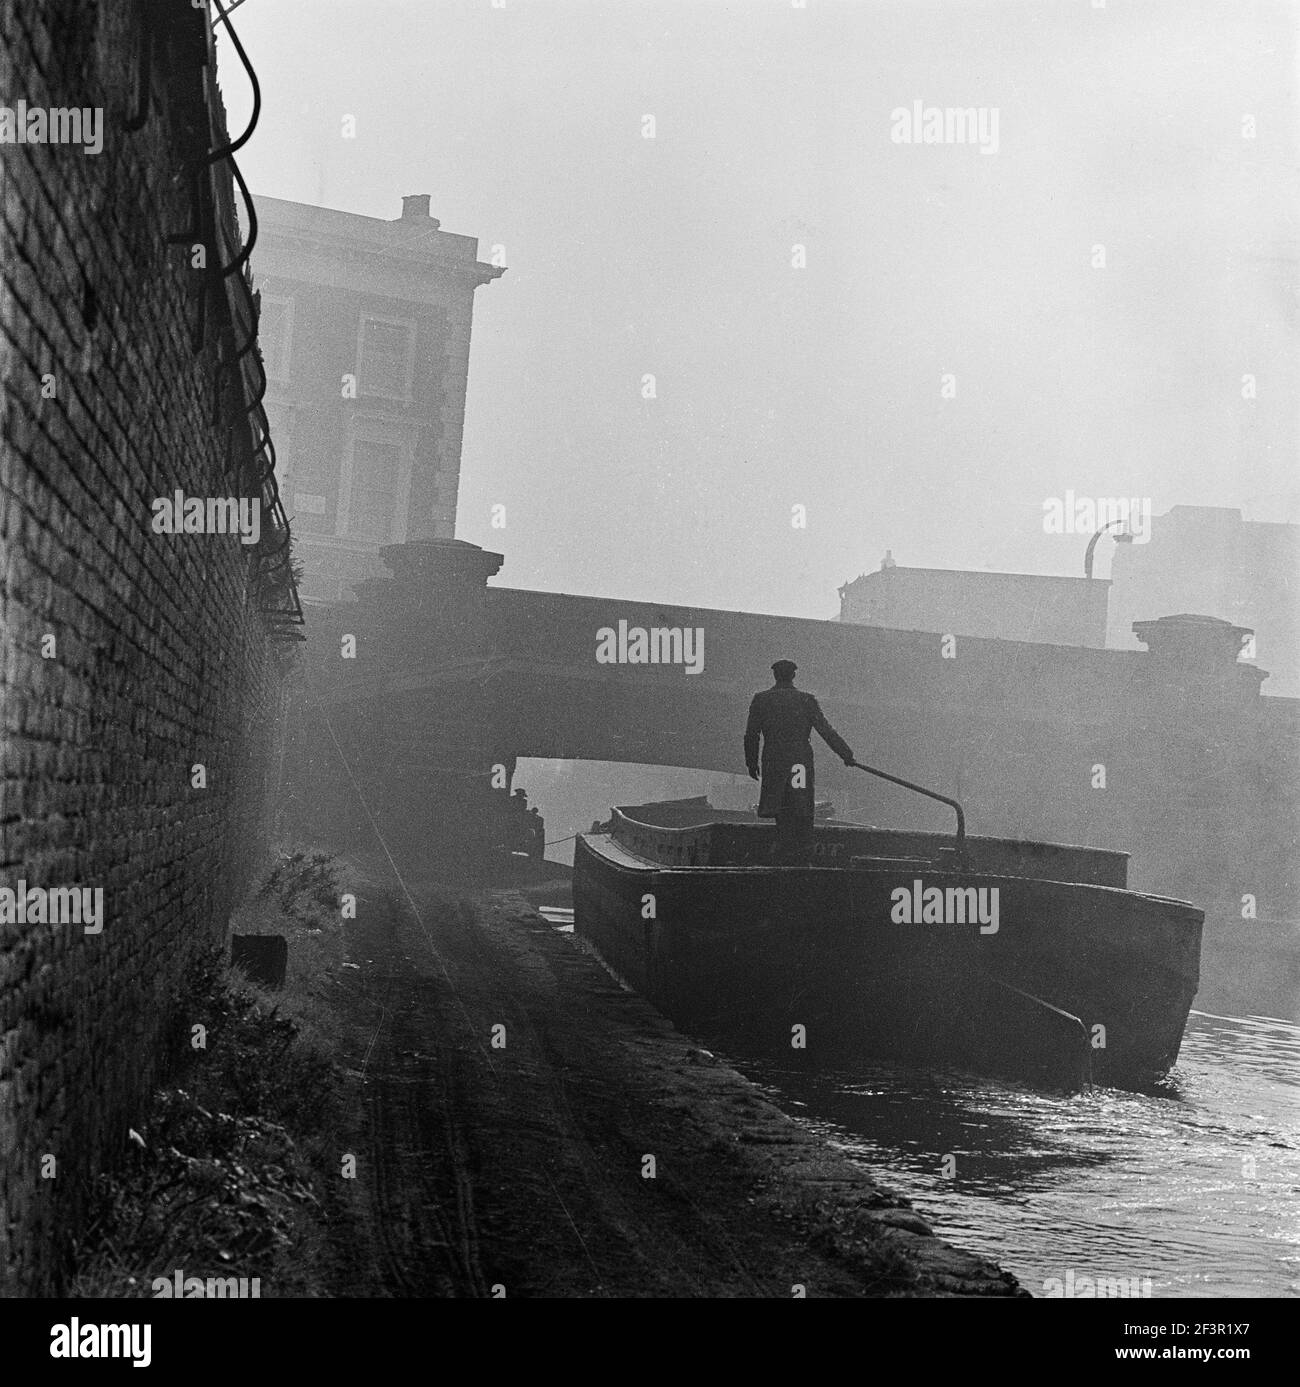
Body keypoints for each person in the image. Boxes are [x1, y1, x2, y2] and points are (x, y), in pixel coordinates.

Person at [744, 660, 855, 864]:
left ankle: (784, 848)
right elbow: (825, 730)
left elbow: (752, 735)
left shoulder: (762, 700)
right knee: (800, 802)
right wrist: (846, 754)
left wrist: (751, 763)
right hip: (799, 763)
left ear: (775, 675)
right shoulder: (806, 700)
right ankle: (802, 852)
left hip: (774, 762)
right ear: (793, 675)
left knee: (779, 803)